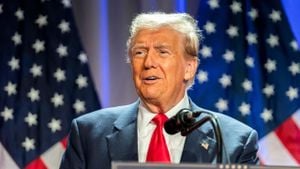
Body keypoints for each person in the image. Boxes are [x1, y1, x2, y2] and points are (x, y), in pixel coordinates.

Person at [60, 12, 258, 169]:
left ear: (189, 68)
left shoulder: (235, 140)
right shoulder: (89, 133)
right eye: (140, 52)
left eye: (162, 52)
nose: (148, 62)